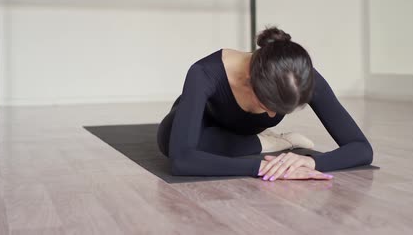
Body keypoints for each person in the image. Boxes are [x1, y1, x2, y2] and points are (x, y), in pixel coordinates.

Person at [157, 27, 373, 181]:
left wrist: (312, 163)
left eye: (279, 110)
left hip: (232, 138)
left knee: (208, 155)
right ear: (250, 81)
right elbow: (182, 160)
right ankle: (270, 144)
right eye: (267, 103)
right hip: (204, 125)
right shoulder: (204, 73)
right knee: (171, 141)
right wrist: (263, 166)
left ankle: (262, 142)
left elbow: (361, 148)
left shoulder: (299, 78)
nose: (271, 115)